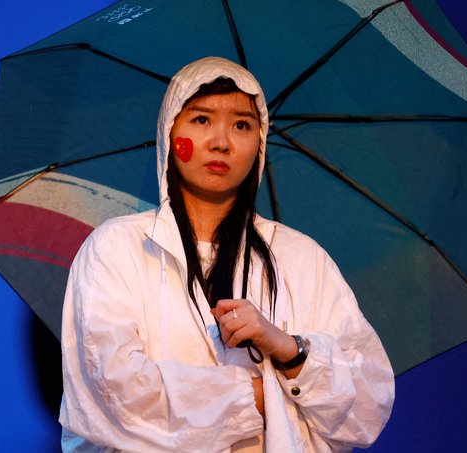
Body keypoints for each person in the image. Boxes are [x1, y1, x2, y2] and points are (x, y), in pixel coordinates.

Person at [59, 56, 394, 452]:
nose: (221, 141)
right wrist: (265, 395)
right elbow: (115, 396)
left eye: (241, 125)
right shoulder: (117, 247)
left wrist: (288, 350)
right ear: (170, 133)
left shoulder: (302, 258)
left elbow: (367, 407)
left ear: (260, 143)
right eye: (201, 120)